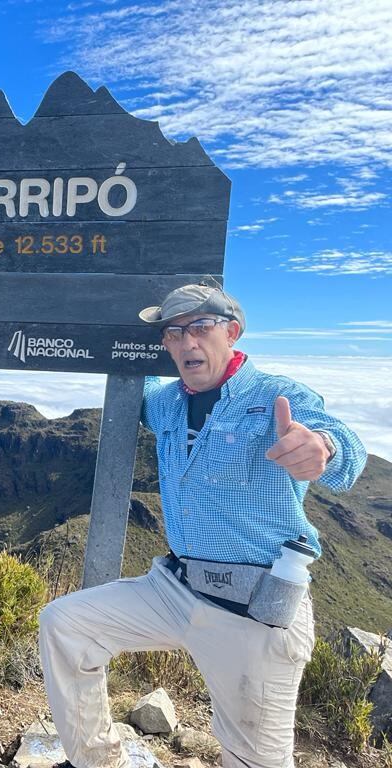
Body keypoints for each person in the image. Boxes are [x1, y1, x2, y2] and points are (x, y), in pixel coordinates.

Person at [37, 281, 367, 768]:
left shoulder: (280, 395)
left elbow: (345, 447)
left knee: (255, 760)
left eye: (200, 328)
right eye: (173, 333)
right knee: (65, 625)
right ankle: (96, 760)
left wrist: (323, 448)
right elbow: (136, 380)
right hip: (176, 586)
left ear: (231, 332)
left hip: (256, 608)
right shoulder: (168, 401)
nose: (186, 342)